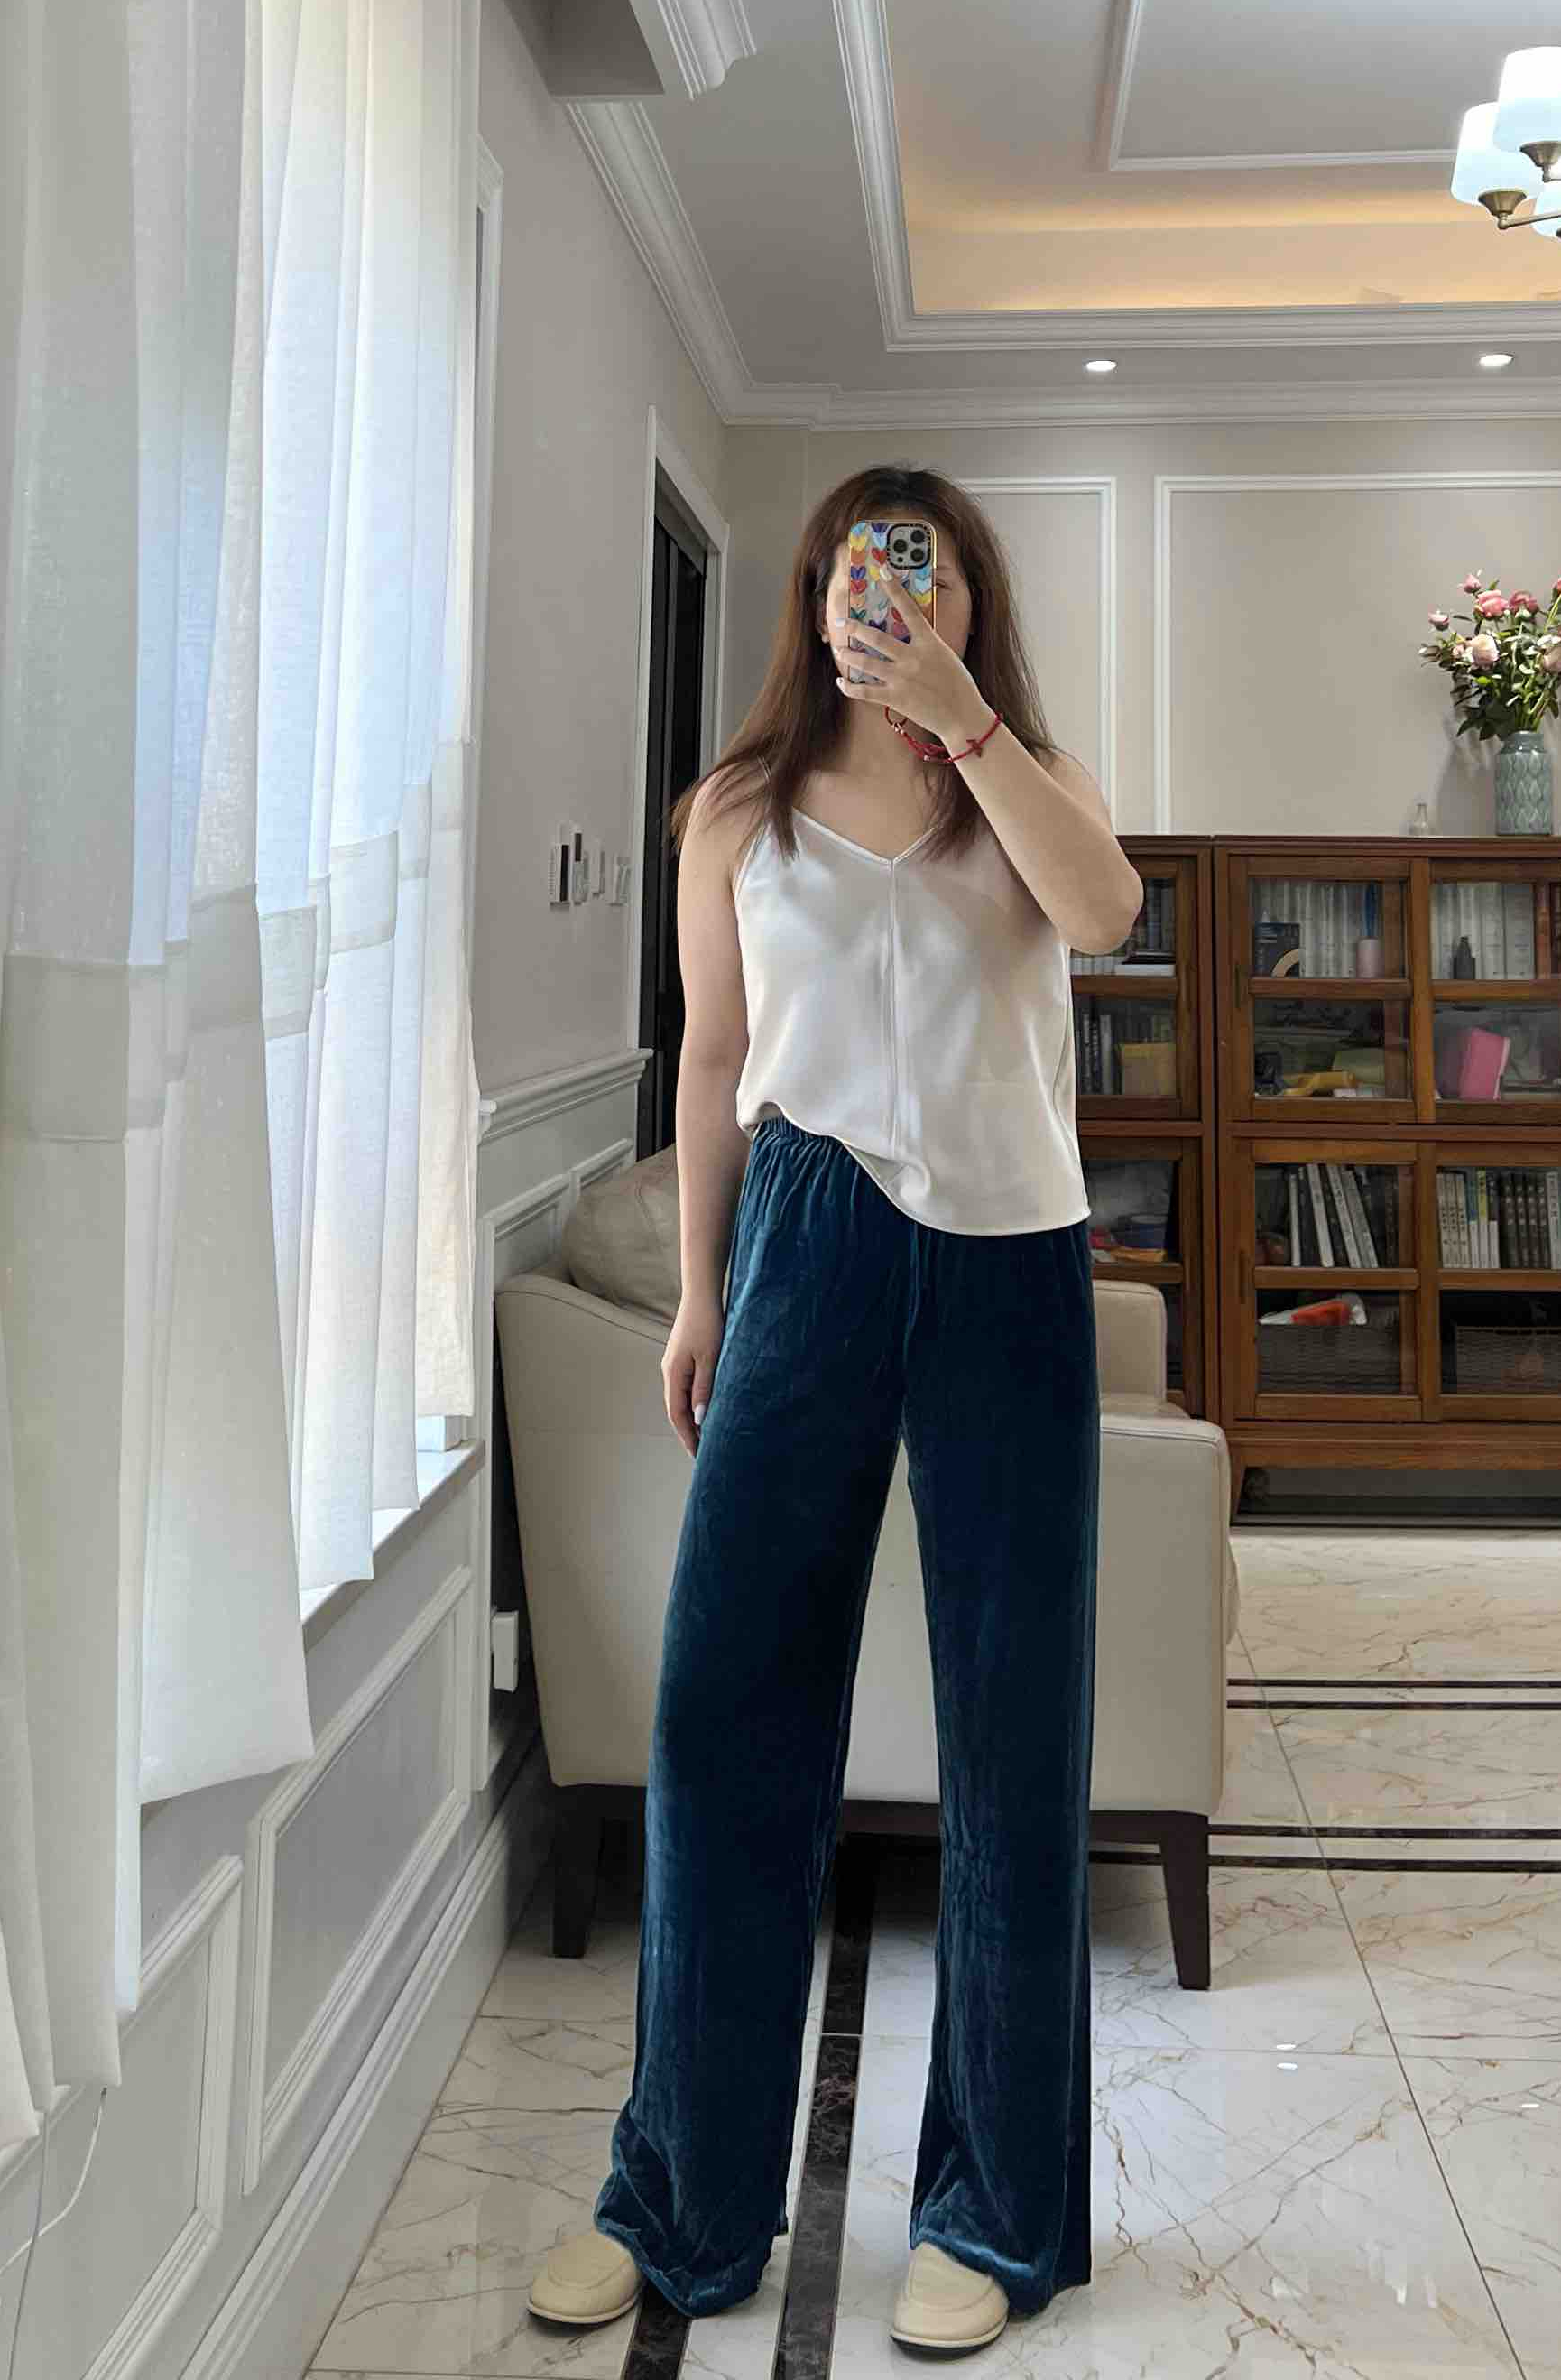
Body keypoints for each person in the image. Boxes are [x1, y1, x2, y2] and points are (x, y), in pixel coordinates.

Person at [526, 465, 1141, 2360]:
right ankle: (682, 2198)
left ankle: (995, 2212)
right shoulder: (736, 807)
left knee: (1014, 1724)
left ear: (967, 597)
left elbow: (1108, 913)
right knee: (724, 1706)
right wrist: (701, 1291)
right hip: (803, 1234)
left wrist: (968, 723)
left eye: (923, 569)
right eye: (860, 571)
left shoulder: (1026, 780)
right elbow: (715, 1055)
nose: (888, 594)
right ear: (814, 600)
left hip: (1011, 1264)